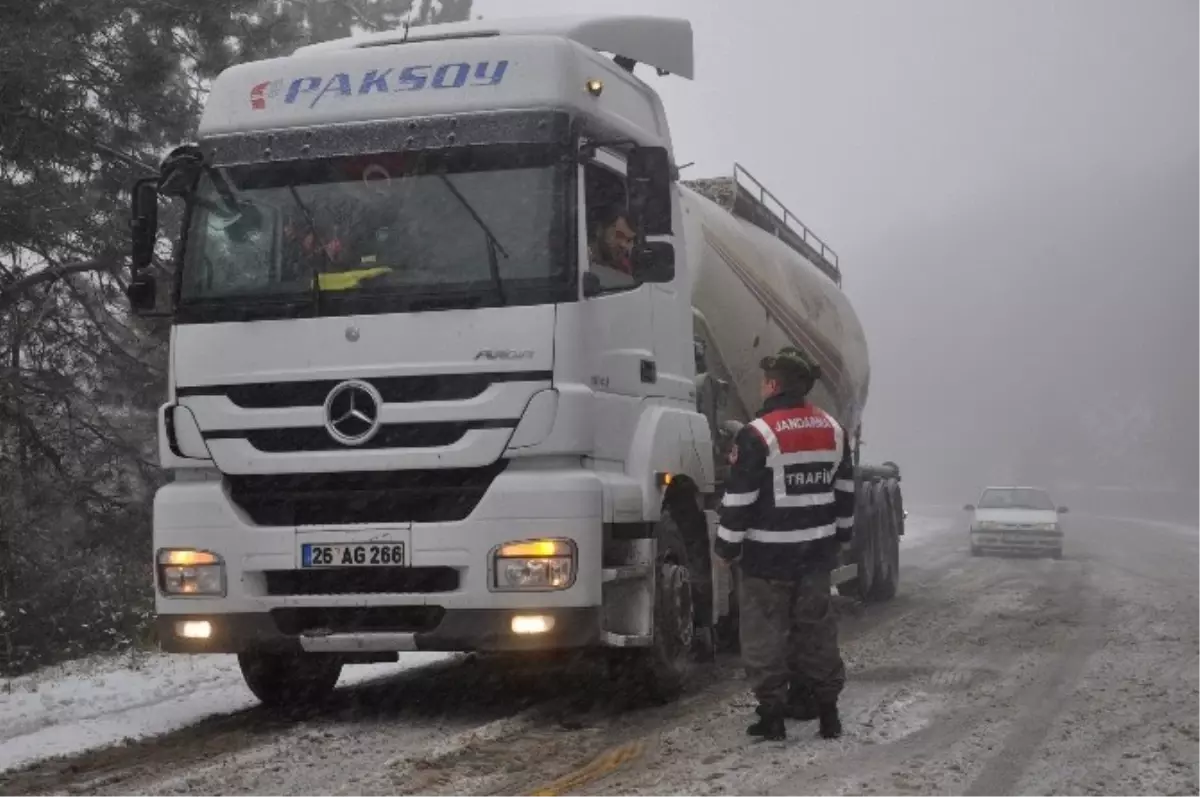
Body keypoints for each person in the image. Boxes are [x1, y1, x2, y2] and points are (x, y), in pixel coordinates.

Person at [714, 345, 856, 742]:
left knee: (766, 637)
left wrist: (725, 548)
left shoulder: (758, 434)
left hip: (768, 560)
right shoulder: (834, 429)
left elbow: (739, 499)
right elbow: (845, 494)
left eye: (765, 380)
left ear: (774, 384)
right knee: (816, 633)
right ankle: (828, 714)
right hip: (815, 557)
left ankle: (772, 717)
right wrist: (841, 537)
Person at [588, 203, 635, 276]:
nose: (624, 245)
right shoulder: (581, 264)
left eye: (629, 240)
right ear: (599, 230)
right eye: (618, 235)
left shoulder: (625, 267)